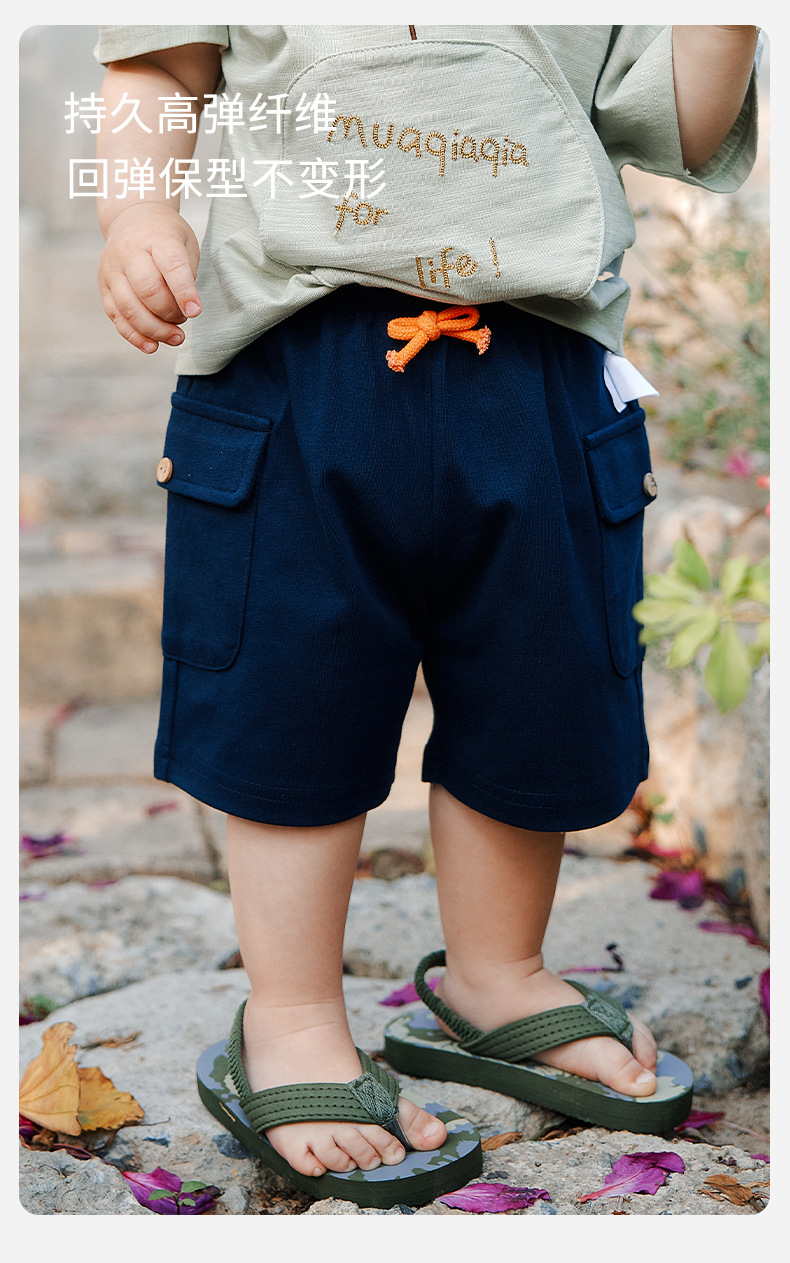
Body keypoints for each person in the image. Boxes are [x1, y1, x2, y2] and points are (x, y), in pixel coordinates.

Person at [94, 25, 760, 1199]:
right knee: (288, 699)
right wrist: (136, 211)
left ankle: (496, 973)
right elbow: (158, 59)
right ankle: (292, 1015)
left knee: (538, 690)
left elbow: (681, 116)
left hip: (541, 368)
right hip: (295, 363)